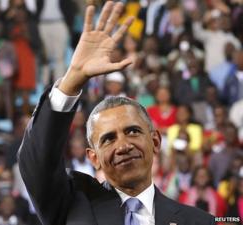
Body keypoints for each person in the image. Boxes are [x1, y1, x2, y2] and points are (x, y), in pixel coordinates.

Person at [18, 2, 215, 225]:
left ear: (155, 141)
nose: (123, 146)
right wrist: (72, 79)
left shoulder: (199, 221)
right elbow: (36, 164)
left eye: (132, 131)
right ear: (93, 158)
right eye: (108, 139)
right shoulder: (72, 202)